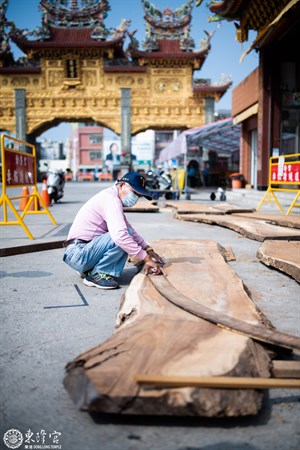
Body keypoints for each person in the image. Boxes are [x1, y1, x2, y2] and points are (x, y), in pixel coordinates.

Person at [63, 172, 165, 289]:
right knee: (123, 237)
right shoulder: (111, 200)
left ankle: (89, 269)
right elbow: (120, 236)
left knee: (126, 233)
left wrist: (147, 249)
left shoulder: (110, 197)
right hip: (78, 254)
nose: (135, 198)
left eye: (138, 195)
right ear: (121, 185)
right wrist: (146, 259)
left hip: (79, 252)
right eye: (134, 192)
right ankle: (98, 275)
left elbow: (128, 228)